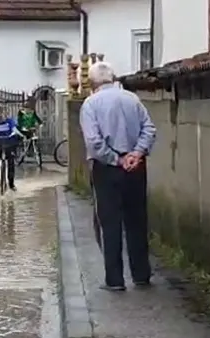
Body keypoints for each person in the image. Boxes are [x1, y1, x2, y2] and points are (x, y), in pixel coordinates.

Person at [80, 61, 157, 291]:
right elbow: (149, 128)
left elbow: (94, 142)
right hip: (136, 167)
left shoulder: (90, 104)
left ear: (92, 83)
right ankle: (141, 275)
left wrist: (116, 159)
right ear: (113, 78)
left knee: (109, 223)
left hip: (107, 169)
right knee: (137, 220)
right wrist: (136, 153)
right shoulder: (132, 99)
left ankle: (115, 280)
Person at [0, 105, 23, 191]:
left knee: (11, 162)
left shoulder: (10, 121)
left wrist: (20, 134)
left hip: (10, 144)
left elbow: (14, 129)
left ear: (3, 113)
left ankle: (11, 184)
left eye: (0, 114)